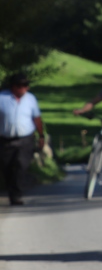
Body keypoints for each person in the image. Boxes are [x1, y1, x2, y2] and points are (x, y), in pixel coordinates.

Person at [0, 73, 45, 205]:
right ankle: (12, 192)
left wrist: (41, 135)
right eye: (21, 86)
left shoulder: (30, 99)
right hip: (5, 139)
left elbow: (36, 118)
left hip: (26, 138)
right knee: (7, 167)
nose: (25, 88)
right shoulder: (2, 98)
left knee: (21, 164)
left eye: (26, 85)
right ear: (14, 87)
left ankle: (17, 194)